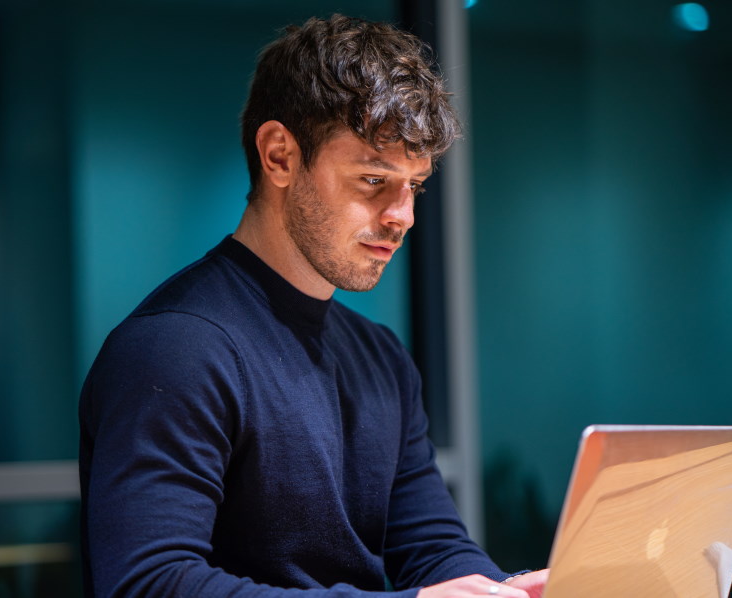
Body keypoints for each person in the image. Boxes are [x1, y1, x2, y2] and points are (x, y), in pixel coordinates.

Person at [78, 14, 548, 598]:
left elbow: (431, 549)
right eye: (374, 180)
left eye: (415, 185)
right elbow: (150, 584)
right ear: (279, 155)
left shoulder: (380, 358)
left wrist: (514, 591)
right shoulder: (175, 349)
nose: (402, 216)